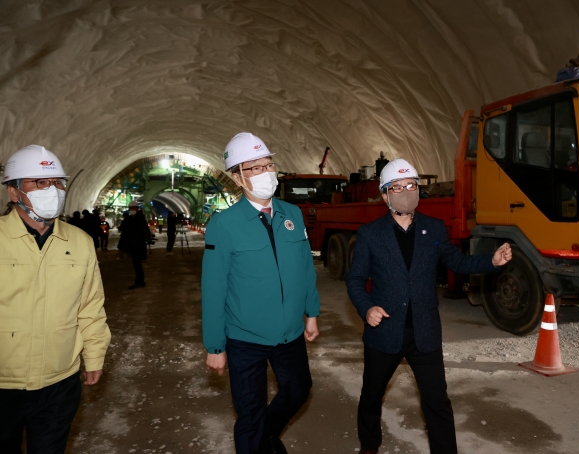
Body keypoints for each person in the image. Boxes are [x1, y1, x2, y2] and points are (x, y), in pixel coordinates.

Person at [346, 159, 512, 454]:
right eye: (397, 187)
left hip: (424, 332)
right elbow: (356, 279)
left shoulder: (434, 229)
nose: (405, 192)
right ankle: (369, 447)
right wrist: (367, 307)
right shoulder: (371, 233)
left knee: (437, 400)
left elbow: (456, 261)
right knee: (371, 396)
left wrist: (492, 261)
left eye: (411, 185)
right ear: (385, 195)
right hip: (384, 332)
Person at [202, 132, 320, 454]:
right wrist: (215, 345)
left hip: (290, 332)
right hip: (245, 338)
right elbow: (213, 289)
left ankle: (264, 438)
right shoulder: (223, 225)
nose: (266, 173)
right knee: (249, 410)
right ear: (237, 178)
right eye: (253, 168)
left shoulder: (292, 215)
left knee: (298, 390)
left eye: (268, 165)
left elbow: (305, 270)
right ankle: (257, 439)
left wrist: (312, 313)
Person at [0, 145, 111, 453]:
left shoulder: (80, 242)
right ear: (14, 192)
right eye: (40, 183)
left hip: (59, 381)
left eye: (58, 183)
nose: (53, 190)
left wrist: (95, 356)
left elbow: (90, 307)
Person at [121, 201, 151, 289]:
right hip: (136, 245)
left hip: (137, 246)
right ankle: (140, 281)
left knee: (137, 264)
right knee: (137, 264)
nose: (130, 210)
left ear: (135, 208)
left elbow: (140, 232)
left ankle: (139, 281)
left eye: (131, 208)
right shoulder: (135, 217)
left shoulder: (138, 218)